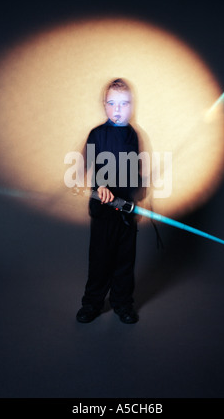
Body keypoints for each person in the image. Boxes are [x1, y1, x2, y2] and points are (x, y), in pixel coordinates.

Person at [76, 78, 144, 324]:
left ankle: (122, 304)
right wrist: (100, 185)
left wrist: (138, 190)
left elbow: (132, 169)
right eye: (112, 103)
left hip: (126, 212)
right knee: (100, 261)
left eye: (124, 103)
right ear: (104, 105)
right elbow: (88, 166)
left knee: (125, 262)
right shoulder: (97, 134)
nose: (118, 109)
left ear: (131, 106)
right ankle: (92, 304)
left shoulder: (133, 135)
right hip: (104, 212)